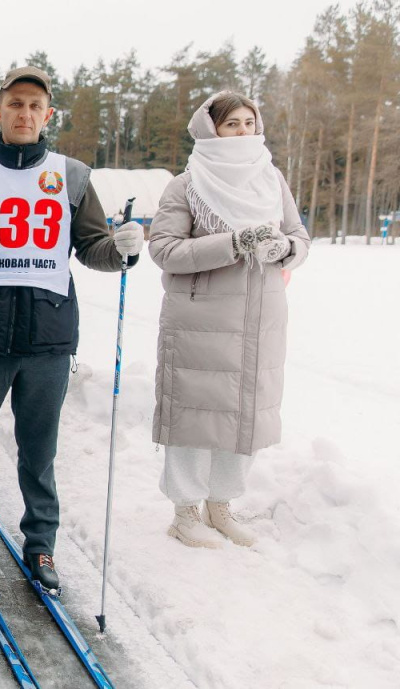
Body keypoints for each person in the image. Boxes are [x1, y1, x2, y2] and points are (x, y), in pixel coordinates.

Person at [0, 67, 145, 590]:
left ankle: (41, 546)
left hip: (48, 337)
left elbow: (92, 249)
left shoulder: (73, 176)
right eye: (14, 104)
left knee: (39, 451)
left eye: (34, 106)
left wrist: (124, 250)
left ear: (47, 115)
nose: (24, 113)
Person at [149, 91, 310, 549]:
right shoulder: (187, 185)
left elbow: (298, 235)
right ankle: (184, 513)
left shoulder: (270, 178)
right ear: (210, 130)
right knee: (195, 416)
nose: (242, 132)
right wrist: (233, 242)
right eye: (231, 124)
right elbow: (164, 249)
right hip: (200, 320)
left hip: (261, 316)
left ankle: (221, 508)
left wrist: (286, 249)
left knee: (245, 417)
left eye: (248, 123)